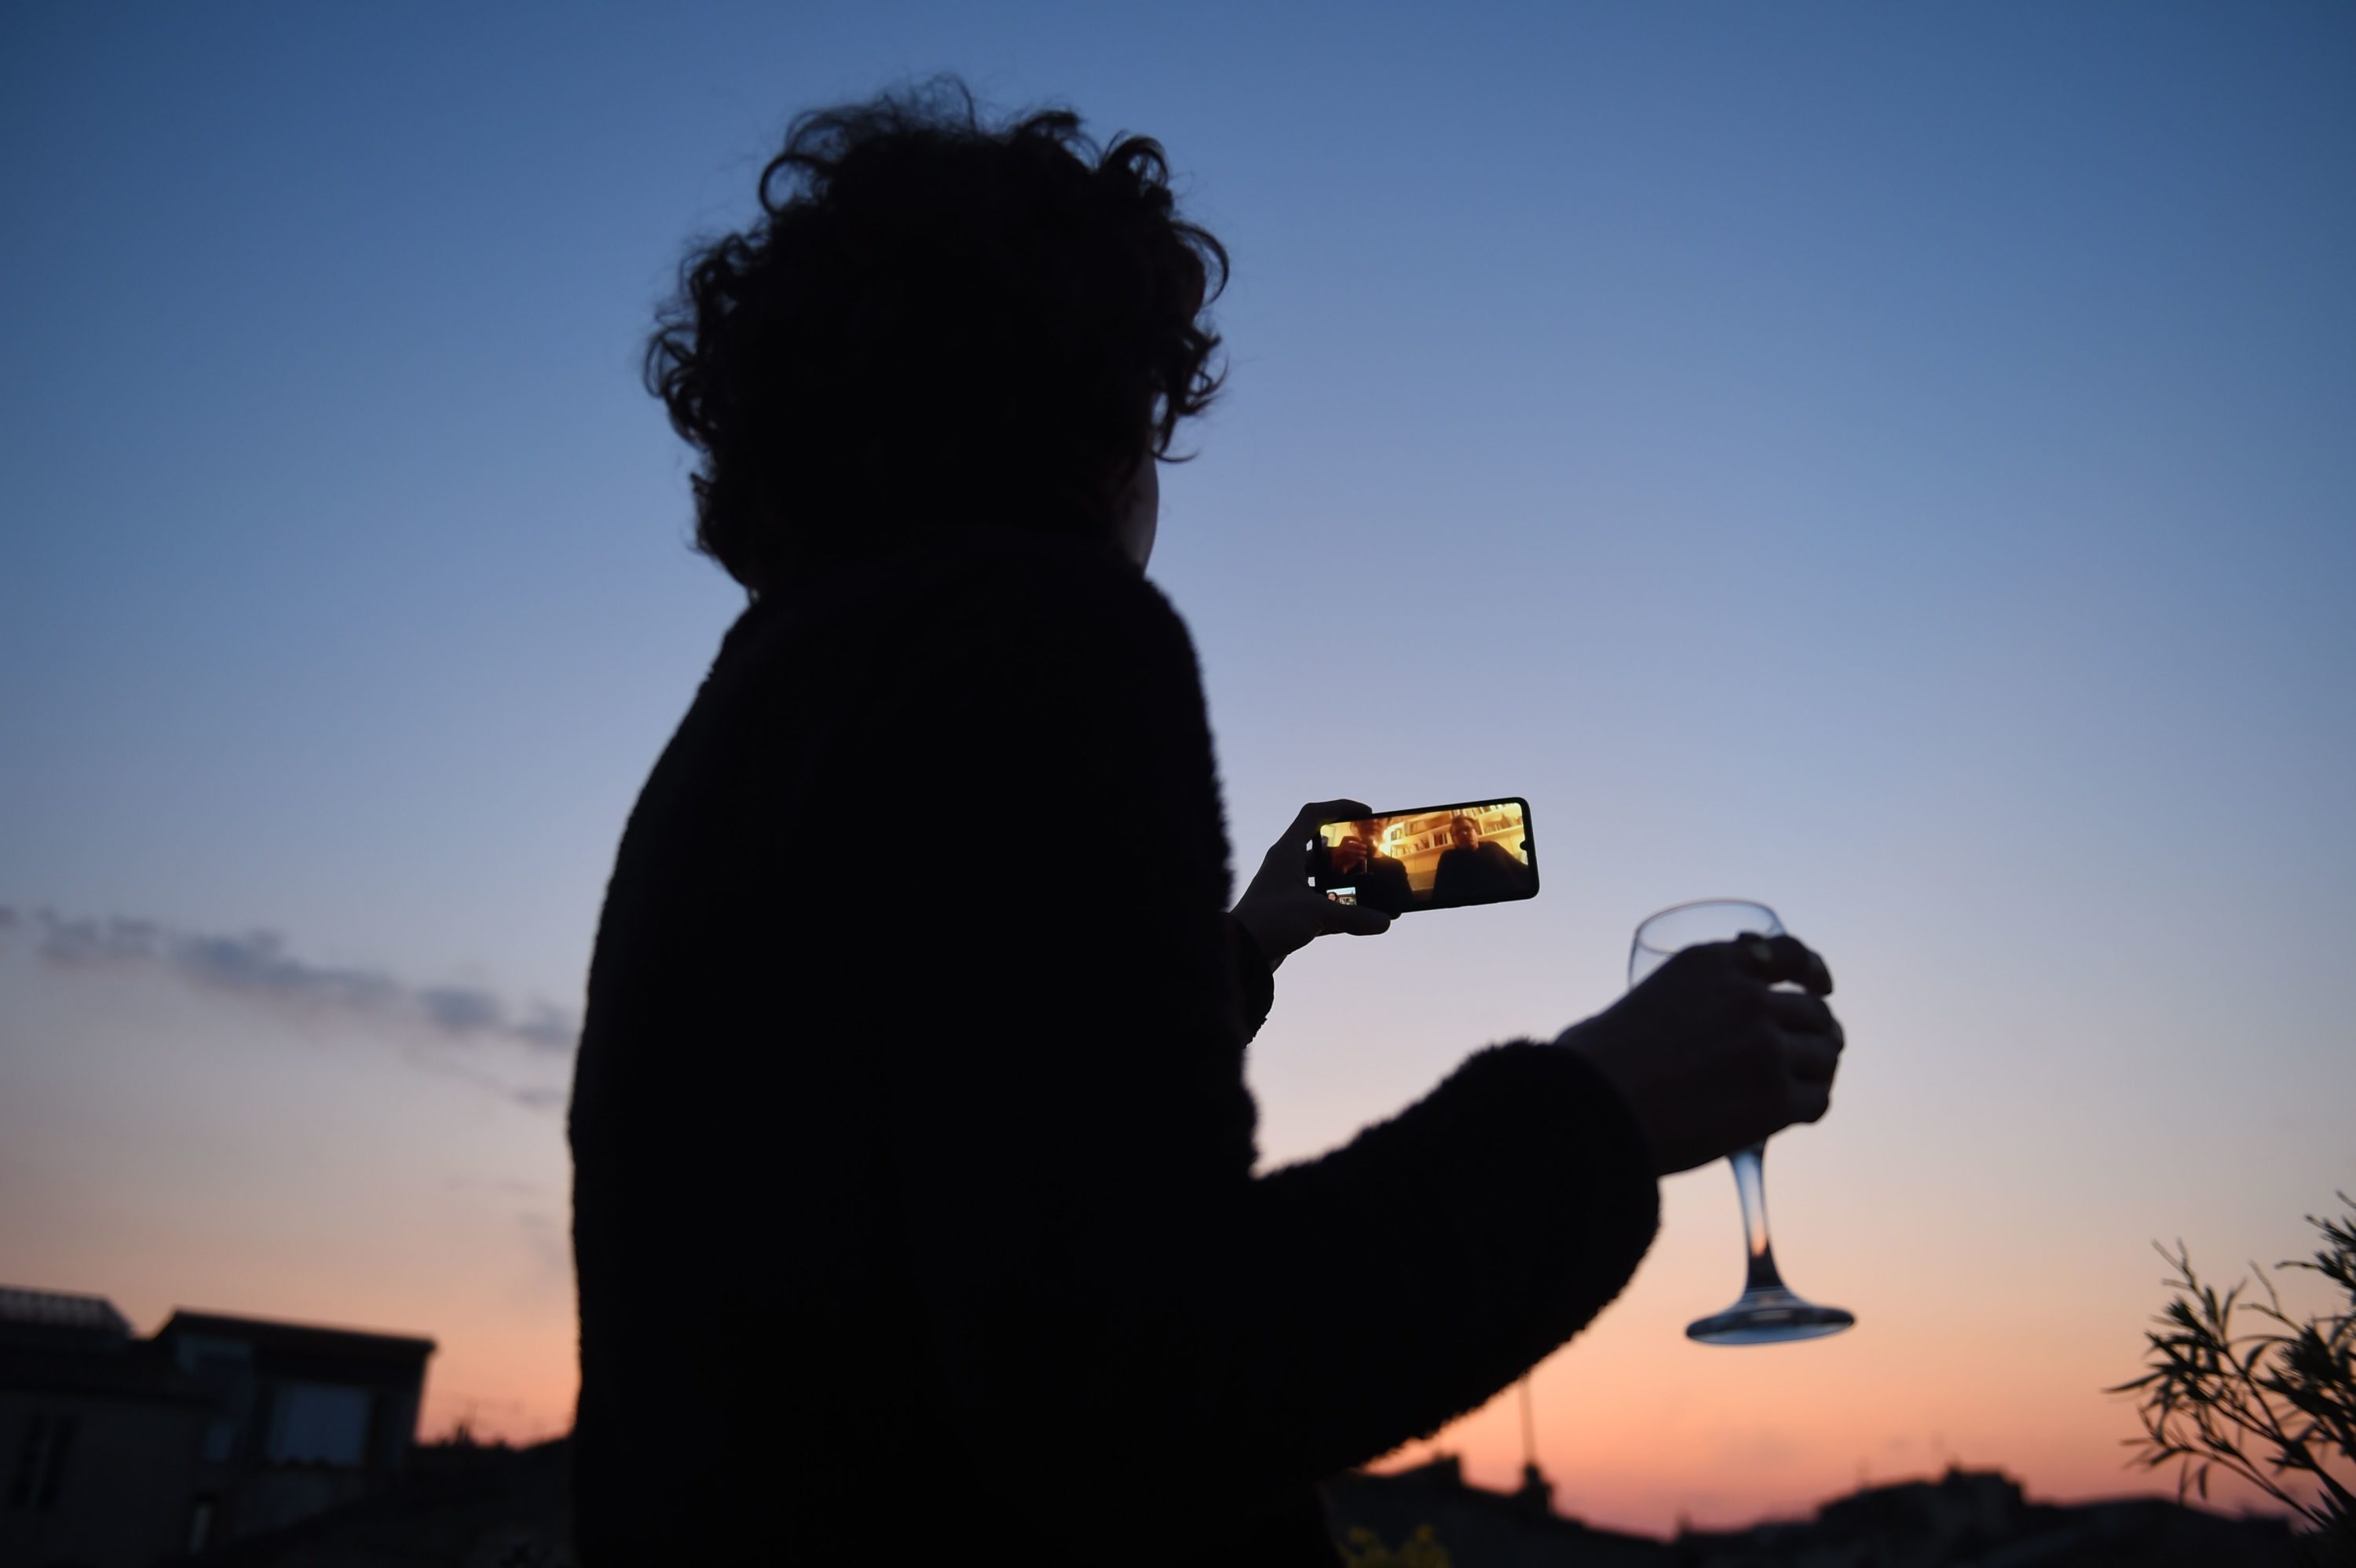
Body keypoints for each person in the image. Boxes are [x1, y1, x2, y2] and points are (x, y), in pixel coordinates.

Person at [568, 80, 1846, 1568]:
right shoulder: (1041, 626)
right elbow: (1144, 1386)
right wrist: (1605, 1105)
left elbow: (970, 1139)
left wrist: (1252, 936)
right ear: (1111, 415)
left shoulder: (751, 731)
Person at [1427, 813, 1533, 908]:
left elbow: (1519, 868)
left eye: (1467, 829)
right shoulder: (1448, 858)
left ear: (1476, 831)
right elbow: (1439, 893)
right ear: (1454, 839)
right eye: (1458, 832)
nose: (1463, 834)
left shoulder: (1493, 847)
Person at [1313, 821, 1418, 915]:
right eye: (1366, 818)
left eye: (1380, 818)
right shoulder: (1334, 858)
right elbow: (1332, 909)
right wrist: (1338, 870)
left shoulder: (1396, 866)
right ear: (1355, 824)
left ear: (1387, 824)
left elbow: (1404, 907)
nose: (1373, 821)